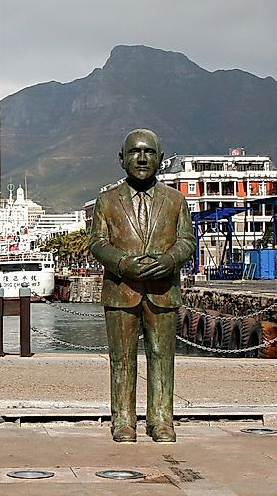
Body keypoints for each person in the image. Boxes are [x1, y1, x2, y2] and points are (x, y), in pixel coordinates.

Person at [89, 129, 194, 443]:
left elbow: (187, 240)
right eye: (135, 152)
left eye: (149, 152)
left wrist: (170, 260)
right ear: (122, 159)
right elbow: (97, 242)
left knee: (162, 356)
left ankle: (162, 421)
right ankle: (123, 420)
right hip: (121, 290)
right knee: (121, 359)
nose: (142, 158)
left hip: (163, 289)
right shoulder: (106, 201)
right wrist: (122, 263)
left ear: (161, 158)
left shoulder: (176, 200)